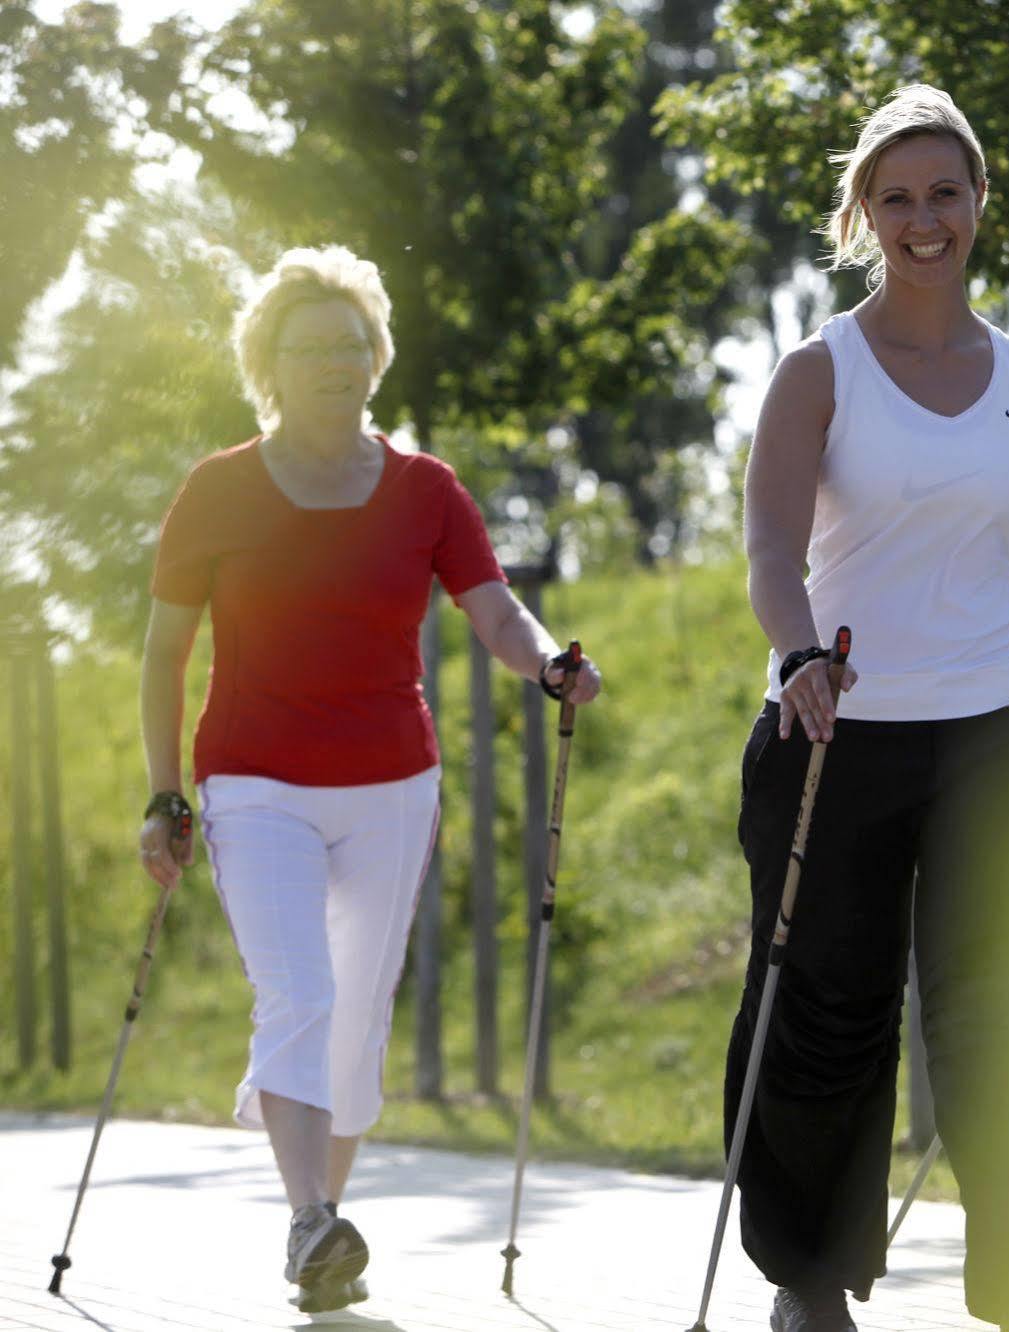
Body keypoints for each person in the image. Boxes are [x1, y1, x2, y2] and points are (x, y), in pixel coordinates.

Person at [137, 245, 602, 1313]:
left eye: (352, 344)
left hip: (392, 784)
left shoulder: (423, 489)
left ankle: (318, 1238)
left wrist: (546, 663)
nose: (336, 362)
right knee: (297, 992)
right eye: (312, 348)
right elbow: (165, 651)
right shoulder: (217, 490)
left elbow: (493, 608)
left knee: (354, 1019)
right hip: (255, 781)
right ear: (270, 362)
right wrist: (165, 794)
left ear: (375, 357)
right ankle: (310, 1216)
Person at [730, 85, 1009, 1332]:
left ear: (977, 202)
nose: (922, 219)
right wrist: (799, 658)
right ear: (864, 215)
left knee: (1005, 1017)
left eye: (943, 192)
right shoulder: (818, 370)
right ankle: (809, 1278)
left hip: (1001, 727)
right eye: (894, 198)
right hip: (839, 729)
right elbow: (771, 547)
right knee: (829, 1010)